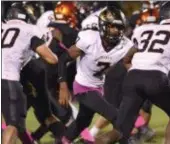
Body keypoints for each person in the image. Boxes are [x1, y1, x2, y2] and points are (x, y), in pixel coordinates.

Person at [96, 2, 170, 144]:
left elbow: (127, 59)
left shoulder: (145, 30)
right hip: (156, 77)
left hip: (132, 77)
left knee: (119, 131)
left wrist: (138, 74)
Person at [57, 6, 134, 143]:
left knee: (82, 122)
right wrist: (62, 86)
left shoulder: (126, 45)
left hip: (98, 86)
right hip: (83, 87)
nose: (116, 31)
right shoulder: (89, 39)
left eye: (119, 27)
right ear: (103, 26)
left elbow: (132, 63)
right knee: (119, 119)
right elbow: (63, 59)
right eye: (112, 26)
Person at [20, 1, 80, 142]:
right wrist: (63, 83)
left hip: (33, 72)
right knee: (65, 116)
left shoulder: (47, 27)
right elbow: (62, 60)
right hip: (48, 77)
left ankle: (34, 137)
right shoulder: (69, 33)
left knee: (44, 114)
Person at [1, 2, 58, 144]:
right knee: (13, 125)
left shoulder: (3, 28)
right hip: (8, 79)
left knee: (18, 124)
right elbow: (51, 59)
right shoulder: (29, 29)